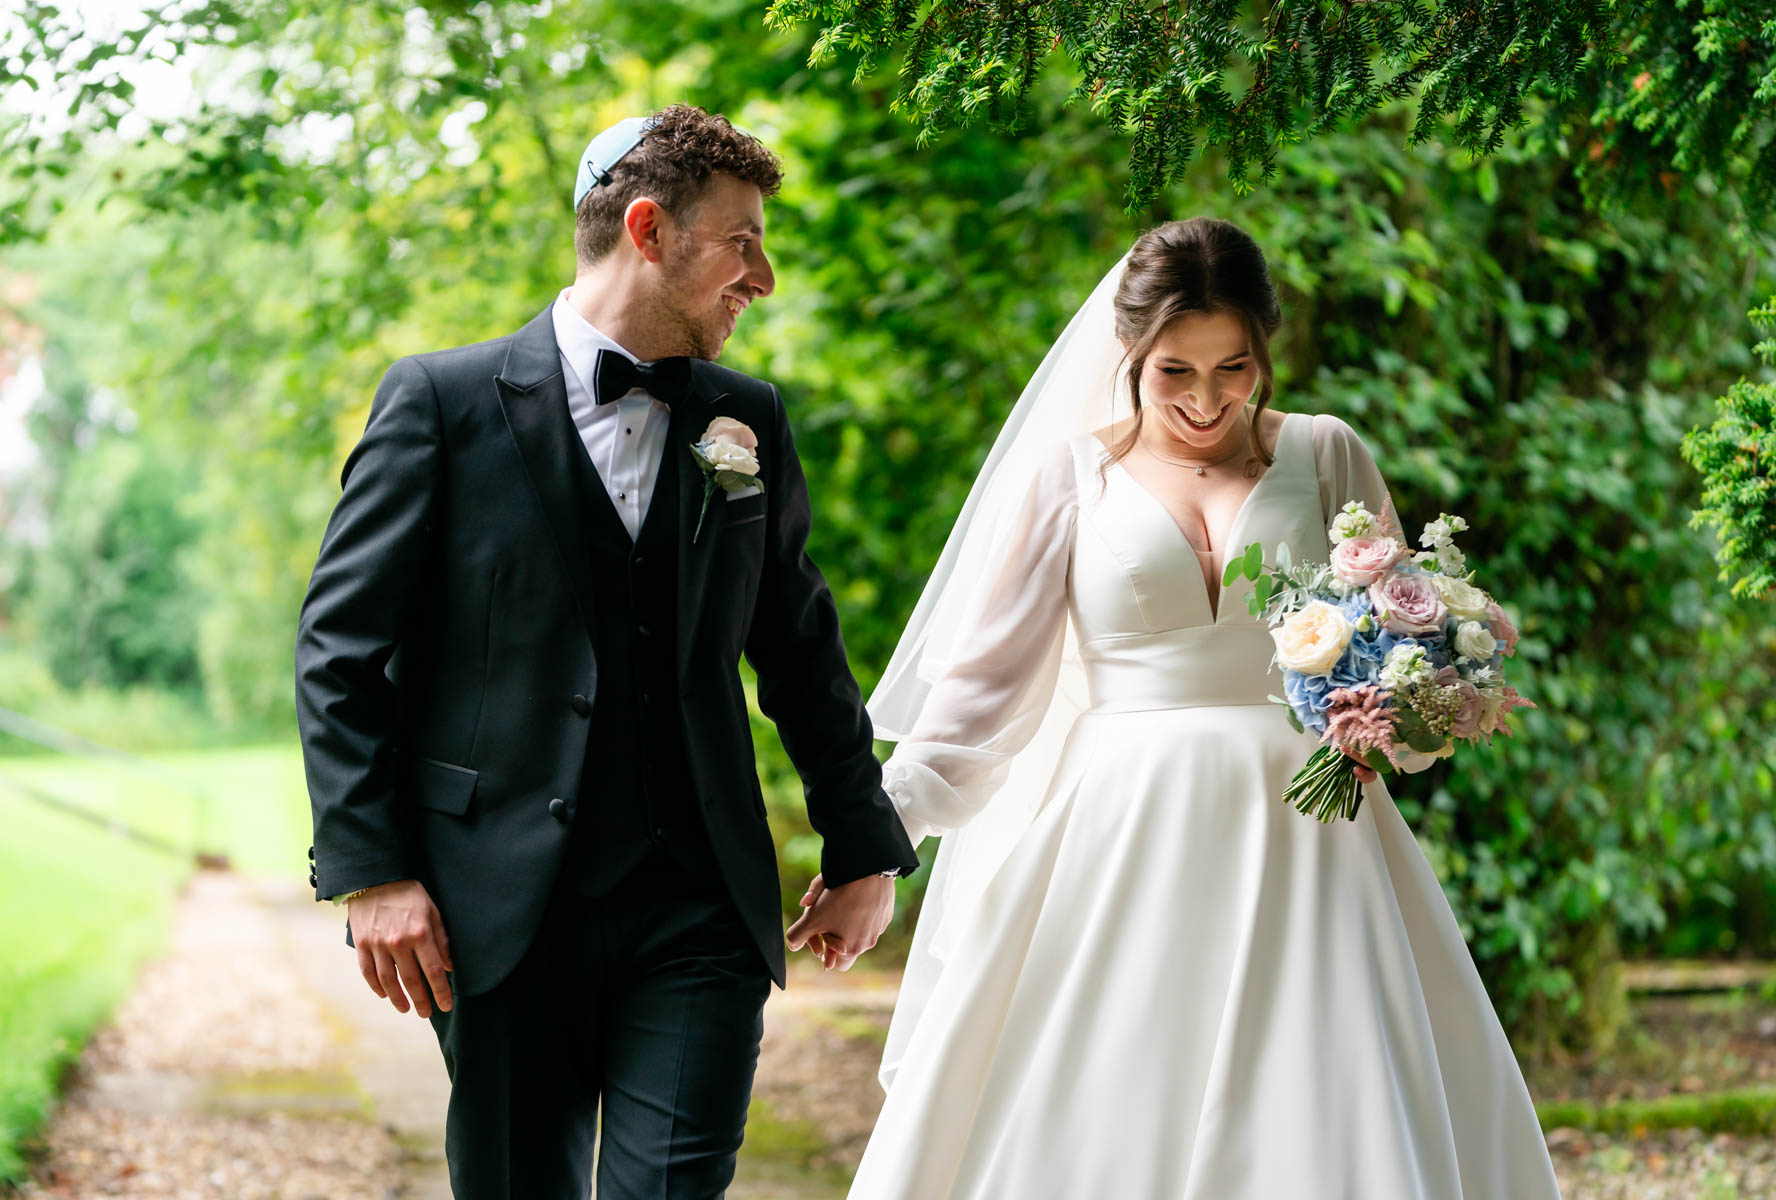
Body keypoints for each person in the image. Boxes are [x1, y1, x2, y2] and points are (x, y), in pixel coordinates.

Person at [838, 216, 1563, 1198]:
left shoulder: (1326, 453)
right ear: (1127, 354)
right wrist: (874, 837)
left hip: (1316, 833)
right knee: (1107, 1090)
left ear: (1267, 353)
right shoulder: (1067, 476)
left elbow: (1410, 632)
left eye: (1235, 368)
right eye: (1175, 370)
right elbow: (979, 701)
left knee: (1322, 1097)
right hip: (1122, 832)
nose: (1208, 399)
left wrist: (1418, 703)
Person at [294, 102, 916, 1200]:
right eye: (743, 241)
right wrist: (372, 870)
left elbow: (799, 645)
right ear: (647, 230)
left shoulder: (747, 420)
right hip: (492, 912)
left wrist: (863, 844)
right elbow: (340, 651)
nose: (761, 276)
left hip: (698, 908)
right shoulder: (438, 405)